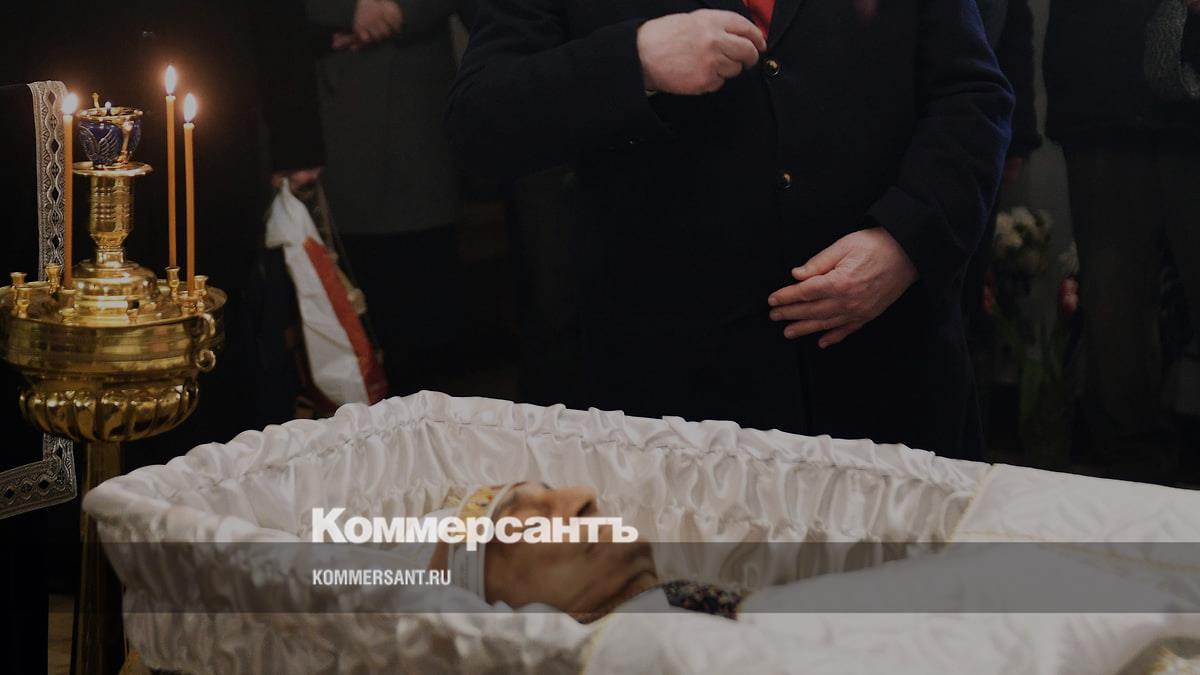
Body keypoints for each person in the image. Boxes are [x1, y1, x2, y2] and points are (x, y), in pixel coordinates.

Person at [447, 0, 1014, 459]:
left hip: (890, 372)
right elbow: (481, 122)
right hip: (684, 404)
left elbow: (972, 96)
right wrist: (634, 60)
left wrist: (906, 240)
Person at [1044, 0, 1200, 482]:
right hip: (1102, 97)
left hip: (1118, 94)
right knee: (1115, 321)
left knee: (1116, 318)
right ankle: (1131, 481)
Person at [305, 0, 475, 395]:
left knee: (427, 322)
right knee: (350, 311)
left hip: (419, 115)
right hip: (329, 93)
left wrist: (399, 11)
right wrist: (347, 11)